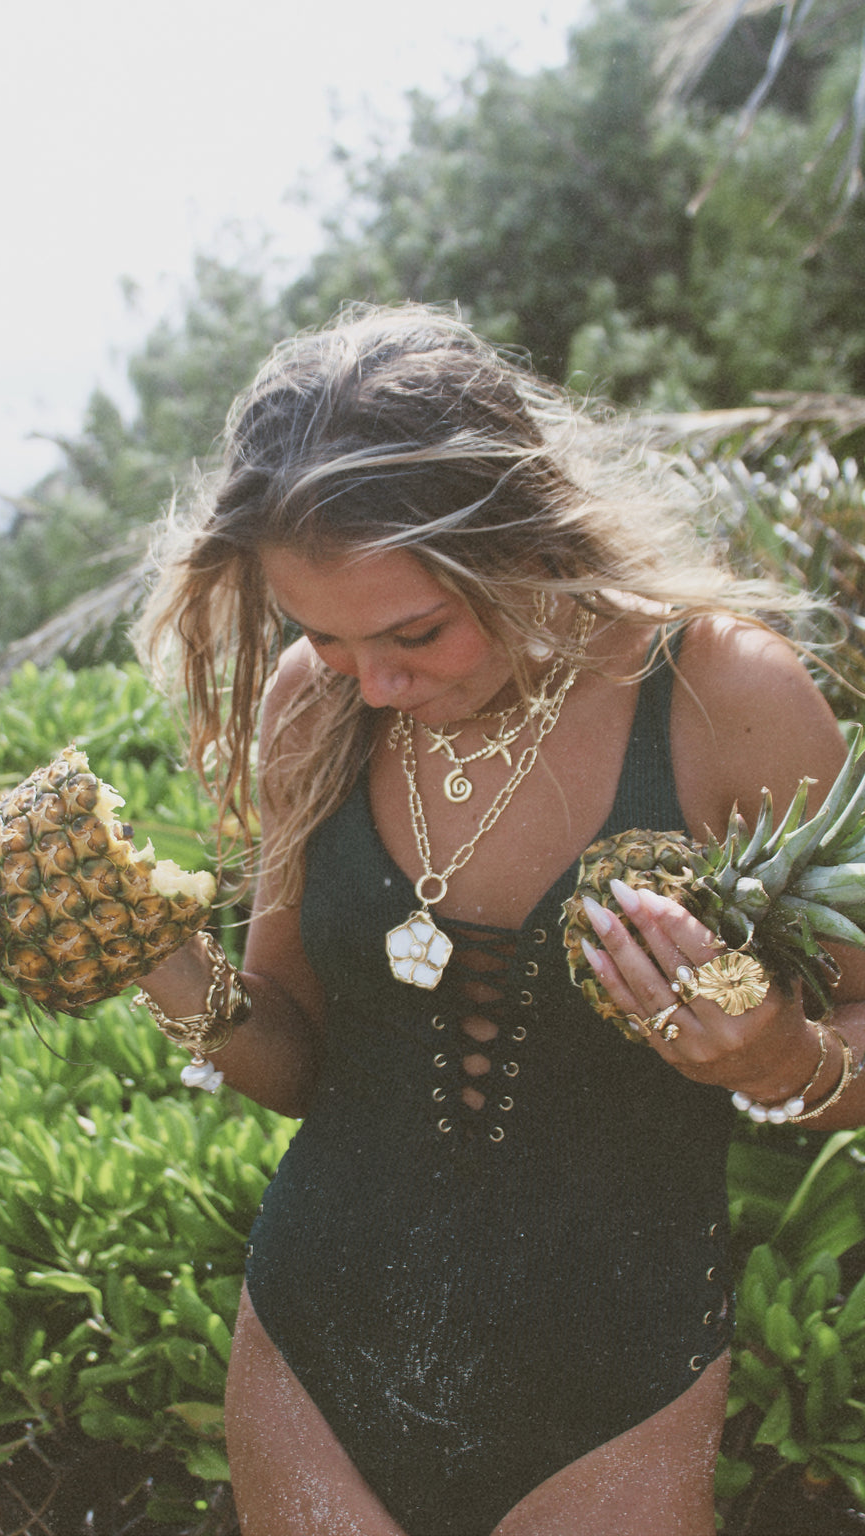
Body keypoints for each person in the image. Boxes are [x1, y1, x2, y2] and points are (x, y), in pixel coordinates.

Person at [131, 304, 865, 1536]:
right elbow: (297, 1055)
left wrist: (781, 1059)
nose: (372, 683)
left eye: (415, 632)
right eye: (321, 634)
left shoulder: (723, 695)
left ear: (524, 539)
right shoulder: (315, 709)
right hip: (314, 1349)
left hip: (617, 1381)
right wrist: (156, 966)